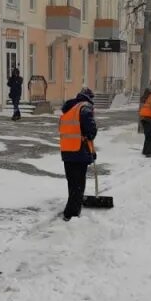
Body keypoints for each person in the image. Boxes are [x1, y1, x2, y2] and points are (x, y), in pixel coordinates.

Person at [59, 87, 97, 221]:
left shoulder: (69, 108)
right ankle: (72, 213)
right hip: (79, 151)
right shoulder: (85, 108)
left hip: (66, 151)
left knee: (72, 183)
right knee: (79, 184)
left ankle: (71, 209)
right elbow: (91, 130)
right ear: (89, 98)